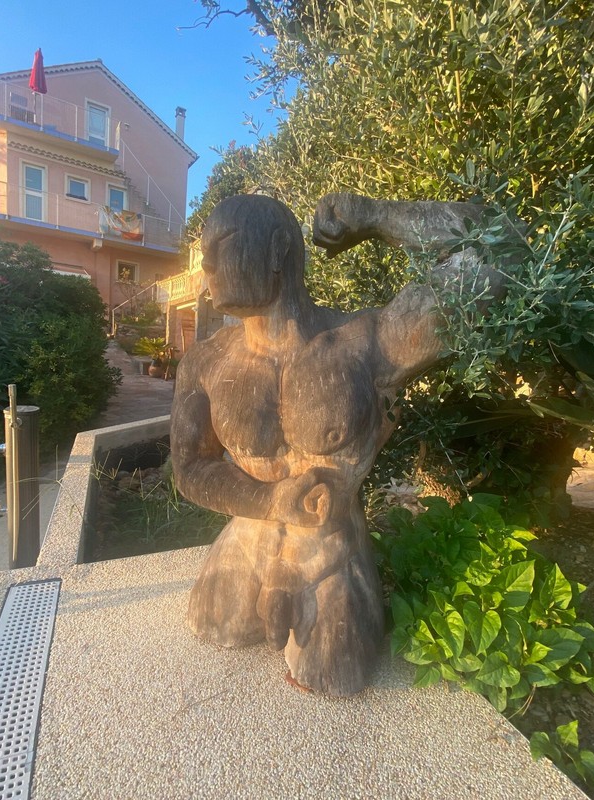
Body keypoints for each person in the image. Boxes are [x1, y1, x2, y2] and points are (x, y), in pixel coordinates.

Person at [171, 192, 502, 695]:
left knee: (333, 671)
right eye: (205, 250)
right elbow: (190, 469)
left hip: (331, 548)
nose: (208, 264)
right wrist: (269, 500)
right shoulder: (206, 360)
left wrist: (377, 215)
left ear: (278, 249)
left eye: (225, 243)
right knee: (214, 622)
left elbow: (496, 249)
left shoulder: (366, 343)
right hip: (247, 539)